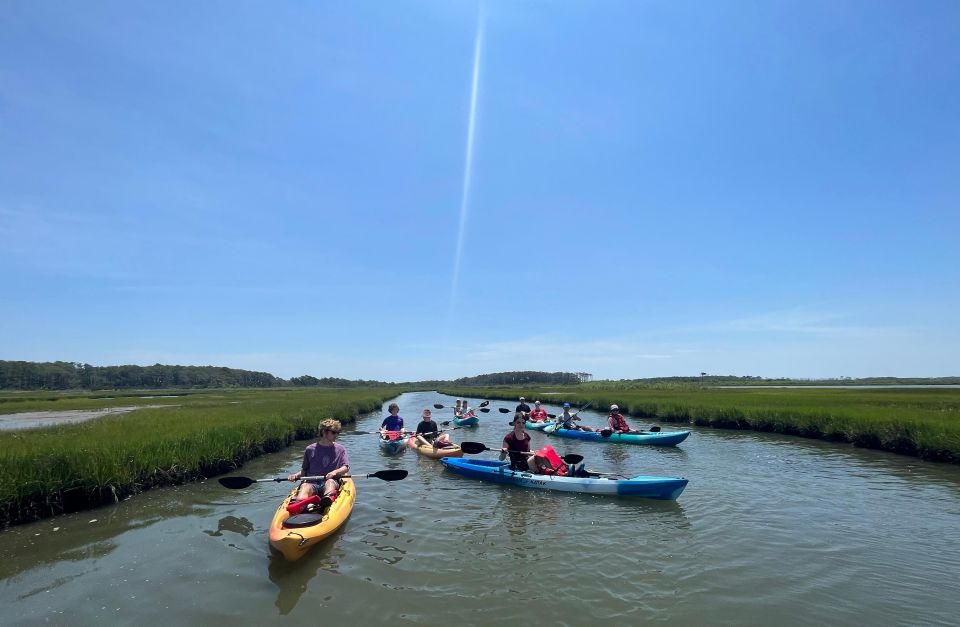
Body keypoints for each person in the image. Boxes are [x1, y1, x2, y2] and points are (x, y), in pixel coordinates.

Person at [287, 419, 349, 508]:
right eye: (334, 432)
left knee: (330, 482)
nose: (336, 435)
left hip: (329, 481)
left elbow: (345, 467)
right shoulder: (309, 449)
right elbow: (304, 471)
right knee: (304, 486)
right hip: (311, 483)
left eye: (337, 432)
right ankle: (301, 505)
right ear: (324, 432)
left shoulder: (340, 449)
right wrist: (295, 476)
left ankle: (326, 503)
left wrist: (334, 472)